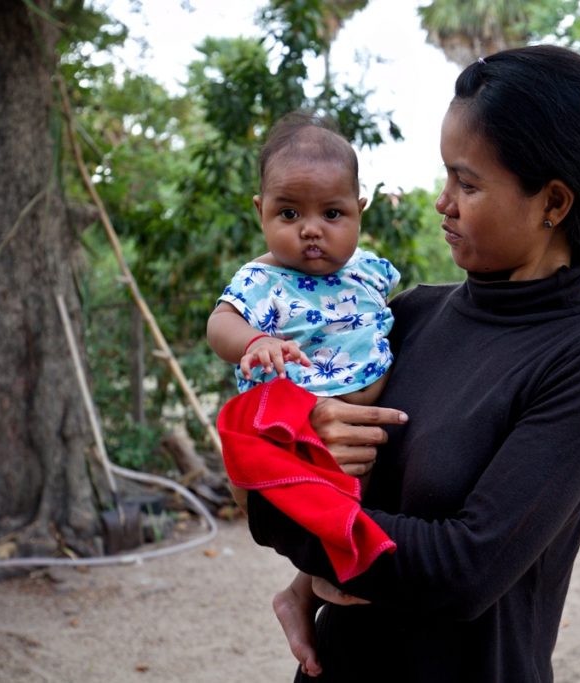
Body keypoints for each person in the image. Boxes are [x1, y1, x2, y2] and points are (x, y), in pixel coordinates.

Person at [248, 44, 580, 682]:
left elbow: (463, 572)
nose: (443, 202)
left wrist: (291, 510)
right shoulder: (404, 317)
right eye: (446, 177)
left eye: (466, 183)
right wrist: (302, 492)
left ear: (553, 203)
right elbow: (290, 469)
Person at [206, 111, 400, 677]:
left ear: (359, 212)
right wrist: (255, 339)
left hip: (358, 429)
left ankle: (301, 592)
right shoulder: (263, 279)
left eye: (332, 213)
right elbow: (220, 325)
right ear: (260, 212)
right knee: (320, 503)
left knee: (370, 497)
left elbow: (396, 314)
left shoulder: (370, 272)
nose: (310, 229)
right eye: (289, 213)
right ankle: (318, 578)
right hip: (290, 429)